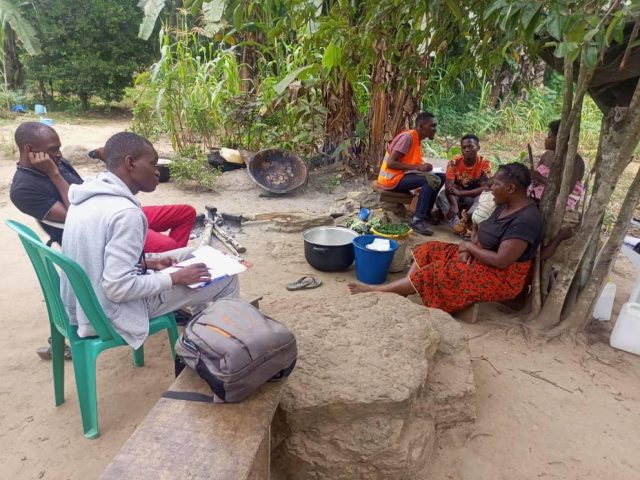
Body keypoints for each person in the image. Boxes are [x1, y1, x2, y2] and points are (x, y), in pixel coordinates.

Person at [60, 132, 239, 348]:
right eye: (153, 163)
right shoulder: (125, 213)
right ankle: (225, 348)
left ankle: (199, 329)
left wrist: (146, 262)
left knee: (188, 255)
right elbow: (118, 288)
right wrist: (174, 278)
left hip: (87, 303)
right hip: (111, 313)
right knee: (227, 278)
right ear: (130, 163)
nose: (157, 171)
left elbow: (97, 256)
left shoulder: (87, 195)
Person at [349, 163, 542, 314]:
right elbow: (484, 231)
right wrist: (470, 247)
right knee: (429, 249)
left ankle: (379, 291)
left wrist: (469, 247)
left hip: (501, 277)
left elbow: (501, 261)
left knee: (436, 272)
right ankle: (408, 287)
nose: (491, 190)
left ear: (510, 188)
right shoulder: (505, 204)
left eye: (496, 185)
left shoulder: (525, 220)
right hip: (480, 256)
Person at [9, 122, 197, 252]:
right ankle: (167, 271)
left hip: (110, 212)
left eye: (59, 148)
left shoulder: (57, 161)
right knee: (169, 247)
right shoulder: (22, 190)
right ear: (29, 149)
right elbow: (77, 216)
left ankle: (170, 268)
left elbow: (84, 191)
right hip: (98, 231)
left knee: (185, 213)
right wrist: (54, 174)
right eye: (53, 149)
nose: (59, 154)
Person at [376, 112, 445, 236]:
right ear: (421, 126)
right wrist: (418, 167)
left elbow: (410, 160)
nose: (435, 129)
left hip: (401, 175)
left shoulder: (417, 139)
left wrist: (424, 166)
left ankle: (426, 213)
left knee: (441, 176)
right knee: (428, 180)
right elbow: (391, 163)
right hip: (391, 179)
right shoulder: (408, 138)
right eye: (432, 126)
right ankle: (417, 220)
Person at [437, 134, 492, 230]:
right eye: (464, 147)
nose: (466, 150)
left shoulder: (484, 163)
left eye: (470, 146)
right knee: (442, 196)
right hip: (456, 197)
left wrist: (461, 193)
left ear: (478, 147)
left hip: (473, 196)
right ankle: (458, 228)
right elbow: (449, 186)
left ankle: (468, 221)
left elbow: (486, 188)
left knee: (486, 197)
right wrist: (454, 205)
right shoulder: (454, 162)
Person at [530, 119, 585, 210]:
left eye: (549, 137)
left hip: (558, 202)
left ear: (560, 138)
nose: (546, 140)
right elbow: (535, 179)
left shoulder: (574, 161)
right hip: (538, 193)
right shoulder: (546, 155)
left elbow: (566, 190)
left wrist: (538, 177)